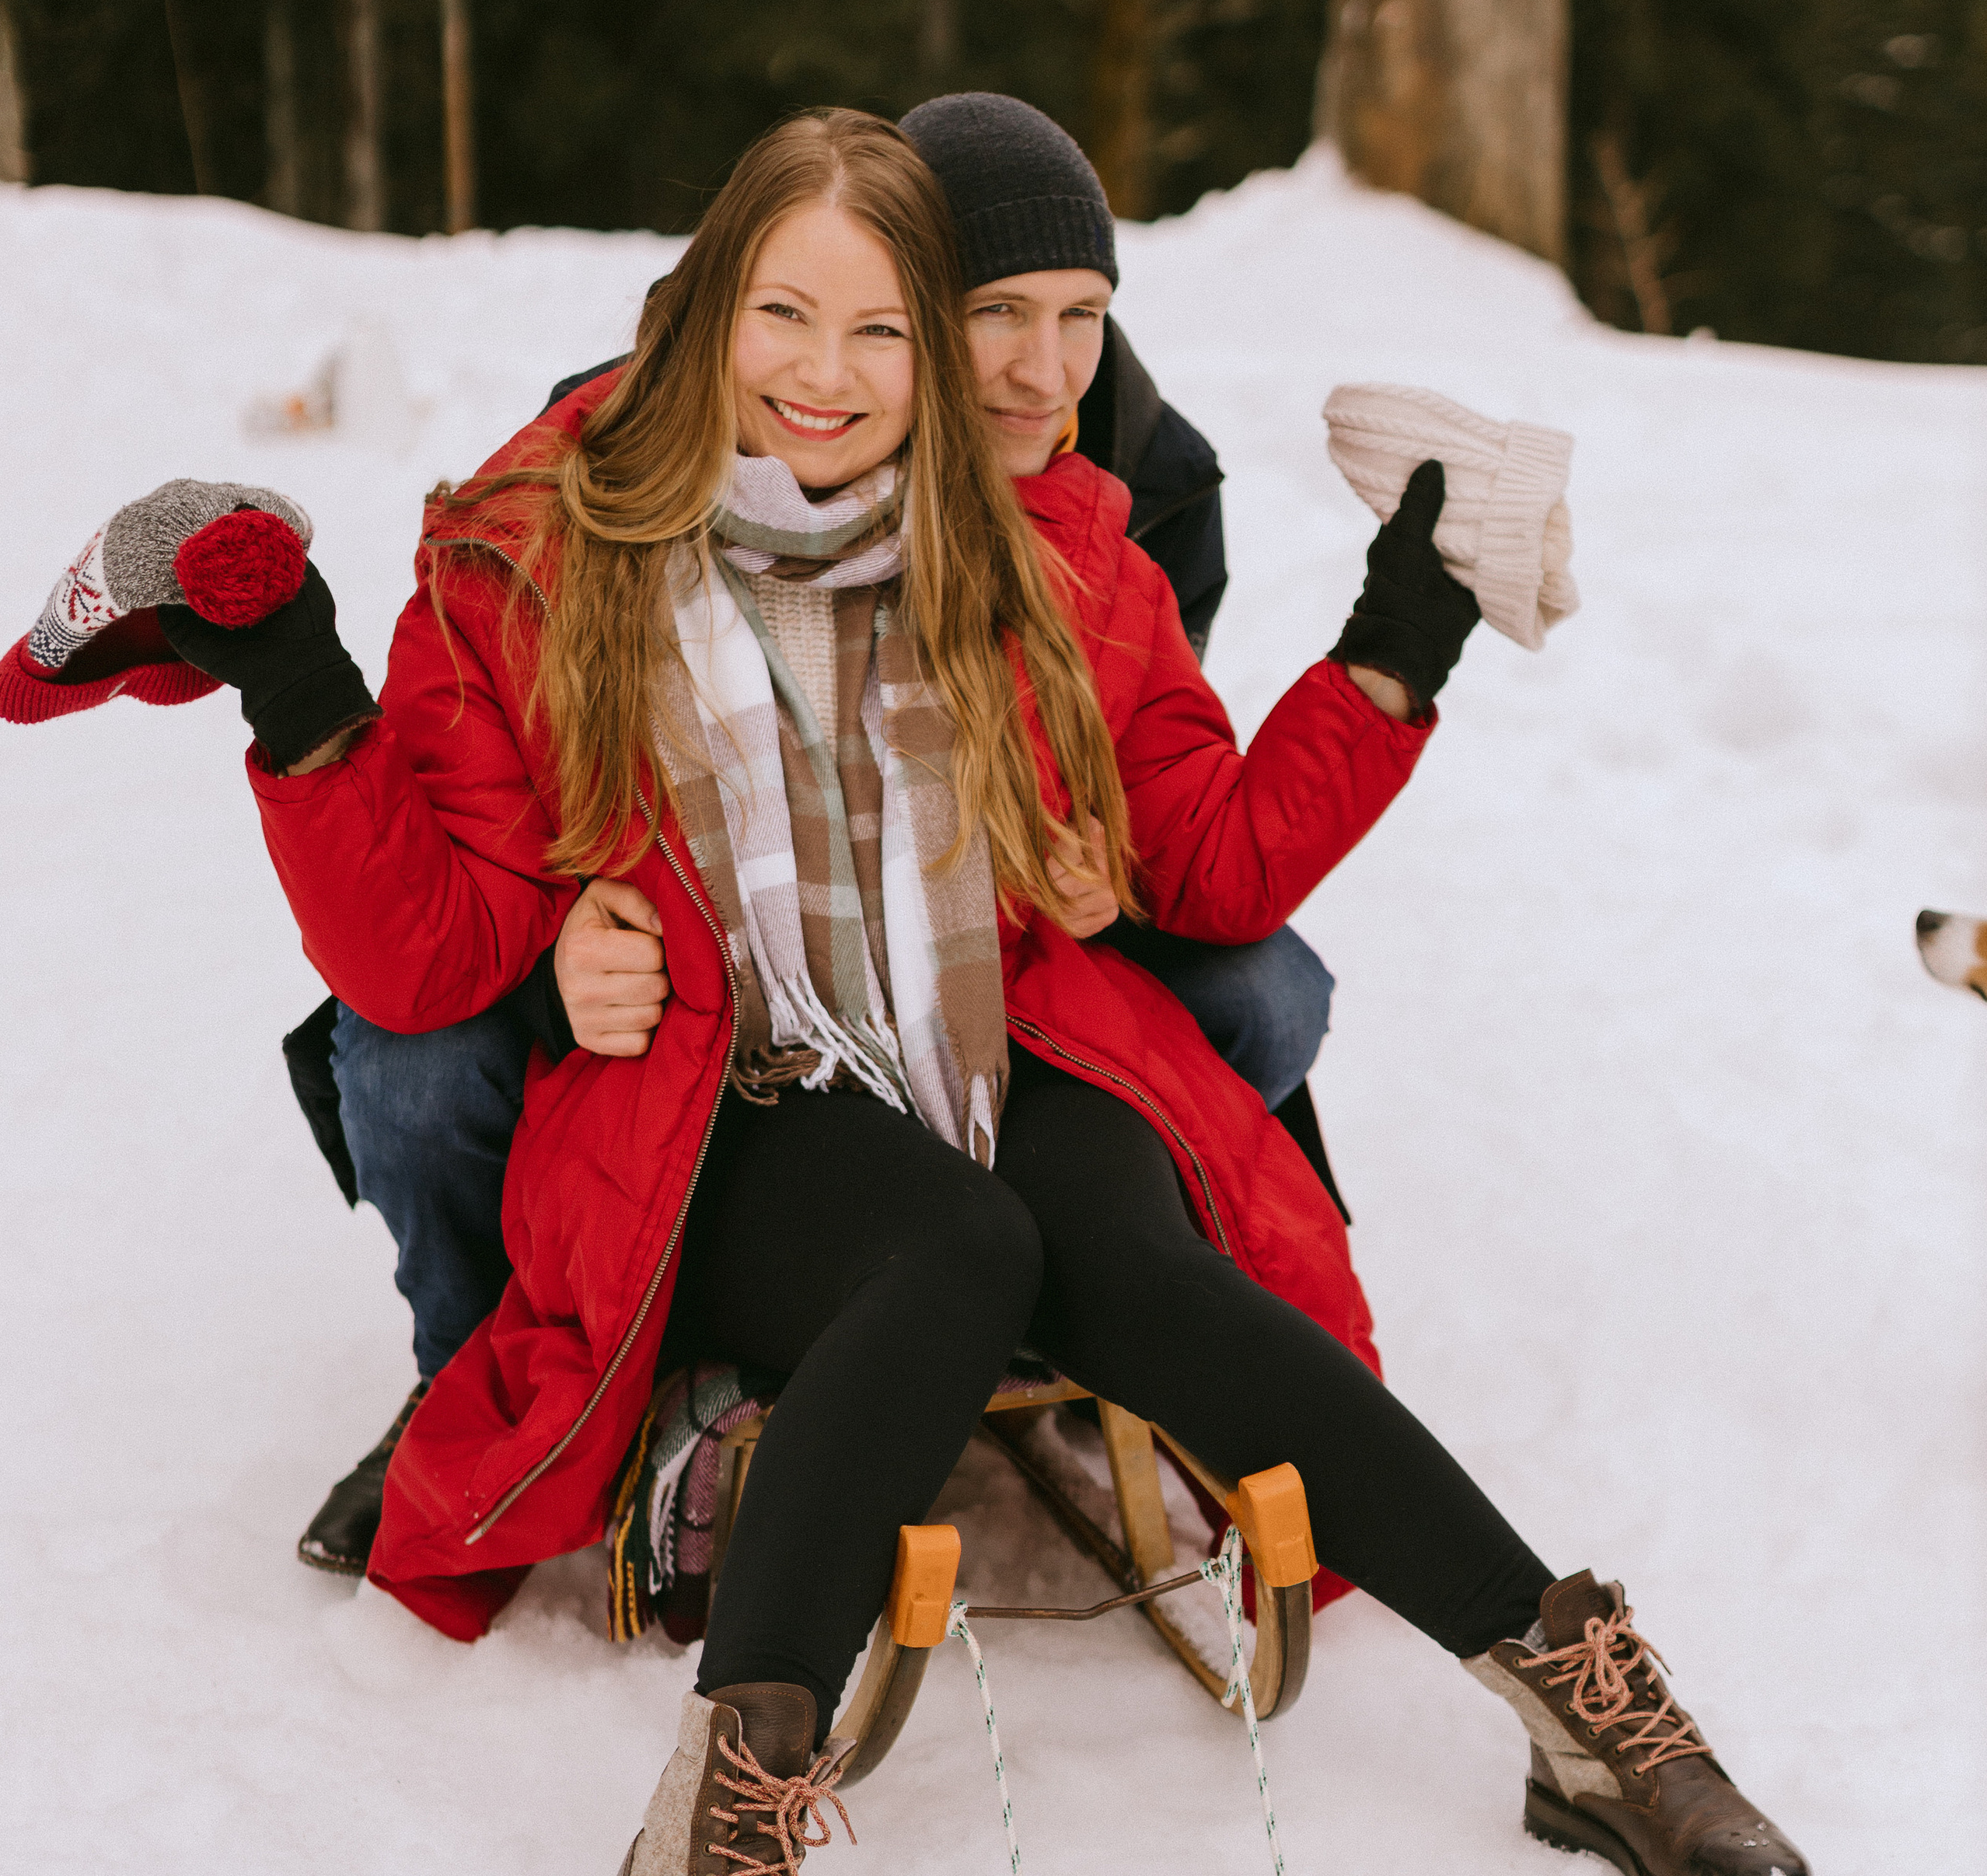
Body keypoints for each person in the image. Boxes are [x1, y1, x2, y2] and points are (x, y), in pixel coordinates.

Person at [81, 107, 1814, 1876]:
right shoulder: (545, 542)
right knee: (958, 1248)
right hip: (726, 1092)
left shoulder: (1058, 536)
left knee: (1136, 1257)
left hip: (982, 1043)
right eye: (792, 316)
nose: (834, 375)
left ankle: (1582, 1701)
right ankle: (706, 1849)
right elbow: (415, 950)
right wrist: (303, 695)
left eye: (888, 334)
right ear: (711, 307)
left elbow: (1219, 865)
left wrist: (1411, 623)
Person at [292, 96, 1344, 1578]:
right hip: (664, 933)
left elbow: (1159, 778)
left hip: (974, 948)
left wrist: (1100, 864)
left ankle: (1105, 1294)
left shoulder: (1143, 480)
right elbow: (492, 788)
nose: (1040, 370)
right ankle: (479, 1390)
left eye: (1082, 316)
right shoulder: (661, 426)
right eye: (991, 315)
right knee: (409, 1056)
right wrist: (559, 935)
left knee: (1265, 990)